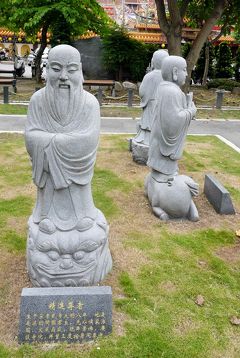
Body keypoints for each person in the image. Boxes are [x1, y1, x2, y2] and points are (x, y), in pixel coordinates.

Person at [25, 45, 101, 234]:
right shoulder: (37, 100)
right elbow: (31, 136)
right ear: (47, 69)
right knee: (50, 171)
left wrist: (50, 143)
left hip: (77, 169)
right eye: (57, 69)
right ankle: (45, 215)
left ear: (80, 71)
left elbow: (88, 140)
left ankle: (82, 215)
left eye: (71, 70)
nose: (64, 76)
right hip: (48, 175)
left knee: (74, 182)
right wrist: (59, 143)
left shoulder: (90, 104)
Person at [147, 55, 197, 180]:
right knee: (166, 176)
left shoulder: (163, 87)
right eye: (184, 70)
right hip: (163, 149)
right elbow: (173, 123)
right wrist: (191, 111)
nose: (186, 74)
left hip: (157, 142)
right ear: (175, 72)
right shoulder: (172, 92)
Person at [133, 50, 169, 146]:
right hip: (162, 106)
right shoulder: (167, 77)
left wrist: (146, 97)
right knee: (159, 124)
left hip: (150, 104)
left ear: (153, 61)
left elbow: (142, 92)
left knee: (148, 124)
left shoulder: (149, 76)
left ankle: (146, 139)